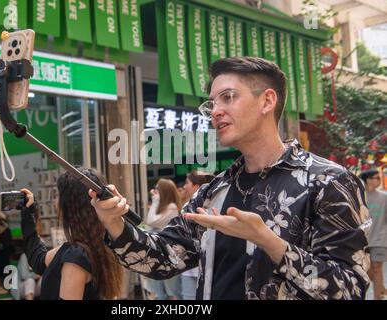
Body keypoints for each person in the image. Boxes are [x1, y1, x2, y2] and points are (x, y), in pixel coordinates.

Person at [90, 56, 371, 300]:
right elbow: (163, 258)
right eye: (212, 103)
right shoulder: (214, 190)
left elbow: (349, 289)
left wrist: (268, 241)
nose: (215, 112)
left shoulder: (328, 182)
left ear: (267, 101)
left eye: (228, 97)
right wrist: (114, 222)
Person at [20, 168, 122, 300]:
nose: (55, 202)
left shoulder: (75, 258)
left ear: (71, 204)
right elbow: (38, 259)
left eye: (58, 196)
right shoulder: (100, 243)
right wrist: (28, 215)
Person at [144, 179, 182, 300]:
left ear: (163, 191)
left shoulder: (172, 207)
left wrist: (155, 200)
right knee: (158, 289)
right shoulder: (163, 207)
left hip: (168, 254)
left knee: (171, 290)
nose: (154, 191)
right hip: (159, 253)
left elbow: (151, 221)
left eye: (157, 189)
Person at [180, 171, 215, 300]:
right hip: (189, 269)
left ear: (196, 186)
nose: (184, 186)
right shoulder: (187, 204)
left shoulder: (215, 203)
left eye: (187, 183)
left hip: (207, 267)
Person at [360, 169, 387, 300]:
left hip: (380, 239)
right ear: (368, 180)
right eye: (376, 177)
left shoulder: (384, 197)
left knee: (377, 268)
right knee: (366, 271)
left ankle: (378, 297)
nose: (379, 179)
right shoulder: (359, 196)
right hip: (362, 241)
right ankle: (381, 288)